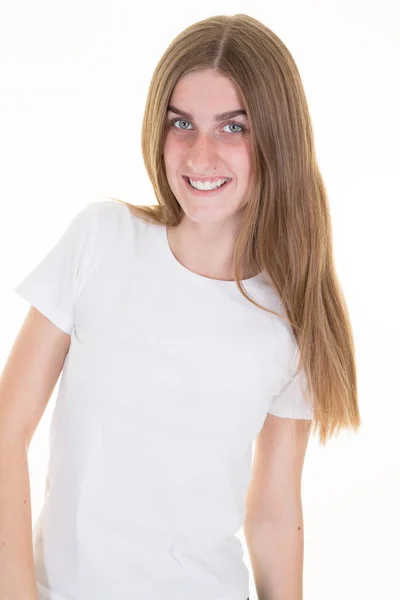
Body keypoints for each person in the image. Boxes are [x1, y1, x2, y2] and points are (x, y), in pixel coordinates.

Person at [0, 13, 361, 600]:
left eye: (233, 127)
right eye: (182, 122)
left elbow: (272, 515)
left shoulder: (288, 322)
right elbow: (7, 430)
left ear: (276, 137)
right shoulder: (101, 240)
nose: (200, 153)